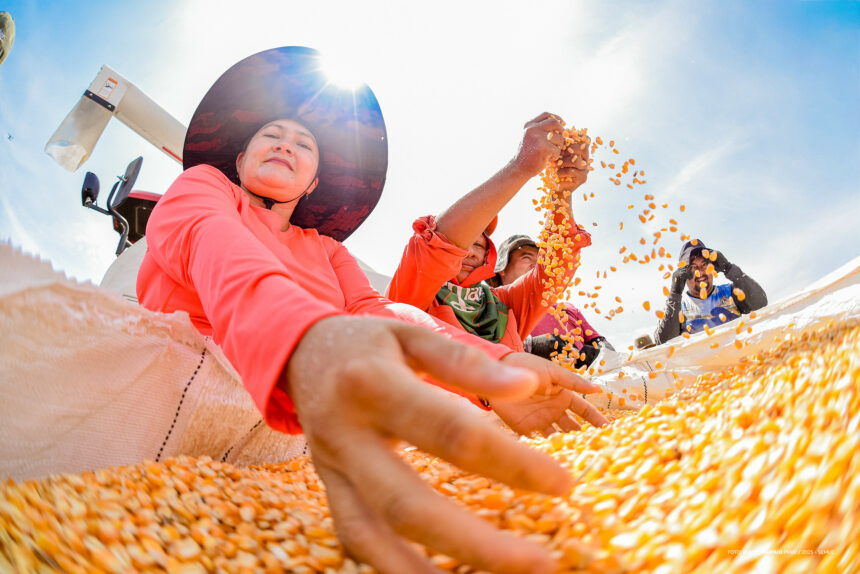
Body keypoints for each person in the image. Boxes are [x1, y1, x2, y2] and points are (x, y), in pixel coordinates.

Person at [137, 47, 607, 574]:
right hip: (191, 383)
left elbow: (373, 311)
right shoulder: (203, 191)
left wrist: (493, 367)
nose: (286, 144)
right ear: (240, 160)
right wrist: (303, 339)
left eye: (304, 142)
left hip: (297, 421)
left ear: (314, 181)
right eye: (271, 135)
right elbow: (213, 242)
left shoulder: (330, 251)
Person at [385, 113, 592, 355]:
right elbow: (436, 249)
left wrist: (561, 193)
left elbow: (556, 268)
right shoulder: (414, 289)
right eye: (465, 242)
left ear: (488, 257)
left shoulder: (504, 304)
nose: (470, 251)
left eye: (479, 246)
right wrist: (521, 166)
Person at [491, 233, 614, 367]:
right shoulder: (494, 304)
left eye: (539, 260)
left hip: (580, 382)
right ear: (502, 269)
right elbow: (482, 347)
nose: (535, 265)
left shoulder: (567, 308)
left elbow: (605, 346)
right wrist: (531, 347)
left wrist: (599, 352)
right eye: (526, 258)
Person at [654, 239, 767, 344]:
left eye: (704, 264)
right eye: (693, 267)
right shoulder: (678, 308)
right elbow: (663, 343)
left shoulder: (730, 292)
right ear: (684, 274)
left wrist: (729, 268)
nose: (701, 272)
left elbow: (760, 304)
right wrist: (675, 293)